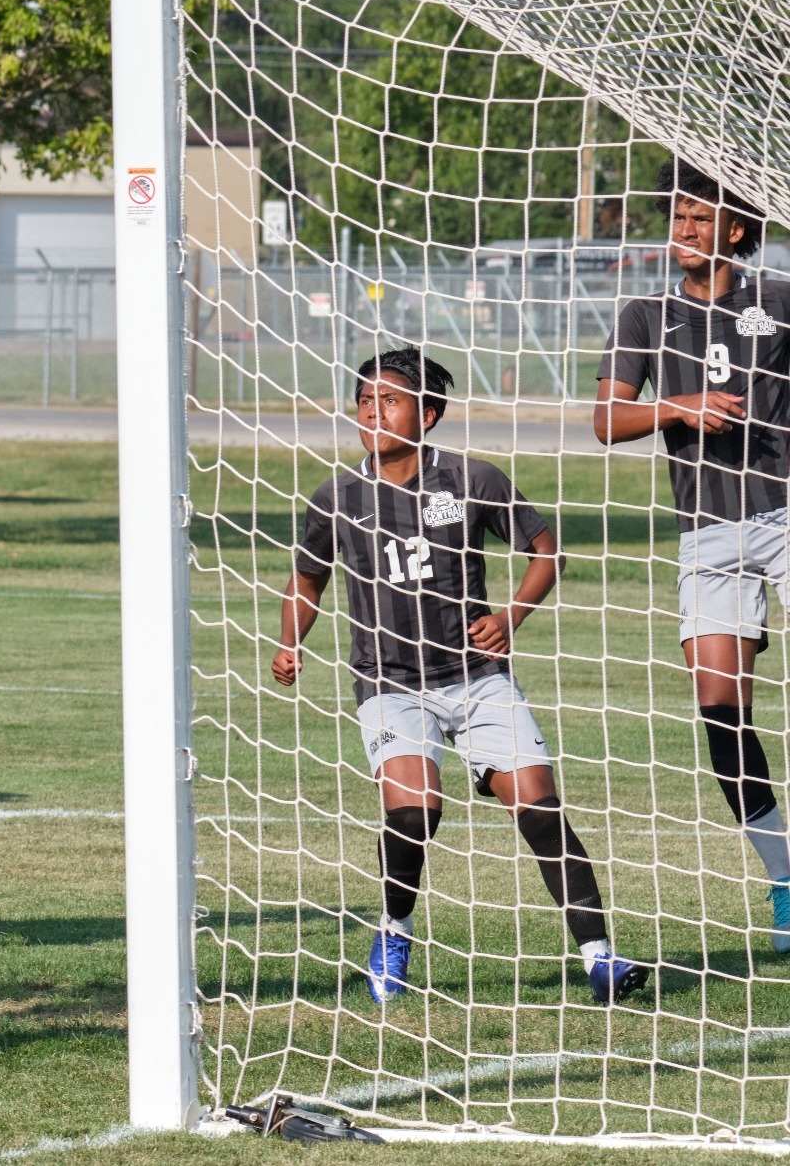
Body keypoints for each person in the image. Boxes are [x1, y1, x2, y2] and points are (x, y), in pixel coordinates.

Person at [276, 345, 648, 1005]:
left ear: (428, 412)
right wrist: (289, 642)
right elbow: (307, 577)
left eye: (388, 399)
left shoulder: (472, 480)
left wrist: (511, 615)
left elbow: (545, 550)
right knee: (416, 812)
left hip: (478, 678)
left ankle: (600, 957)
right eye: (364, 399)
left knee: (538, 804)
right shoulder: (336, 496)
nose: (372, 410)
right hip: (391, 685)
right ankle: (394, 927)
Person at [596, 160, 790, 950]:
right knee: (720, 711)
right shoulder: (645, 314)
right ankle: (784, 878)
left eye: (699, 218)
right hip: (707, 534)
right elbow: (607, 420)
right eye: (676, 217)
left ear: (736, 230)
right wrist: (680, 407)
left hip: (786, 512)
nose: (682, 231)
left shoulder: (778, 299)